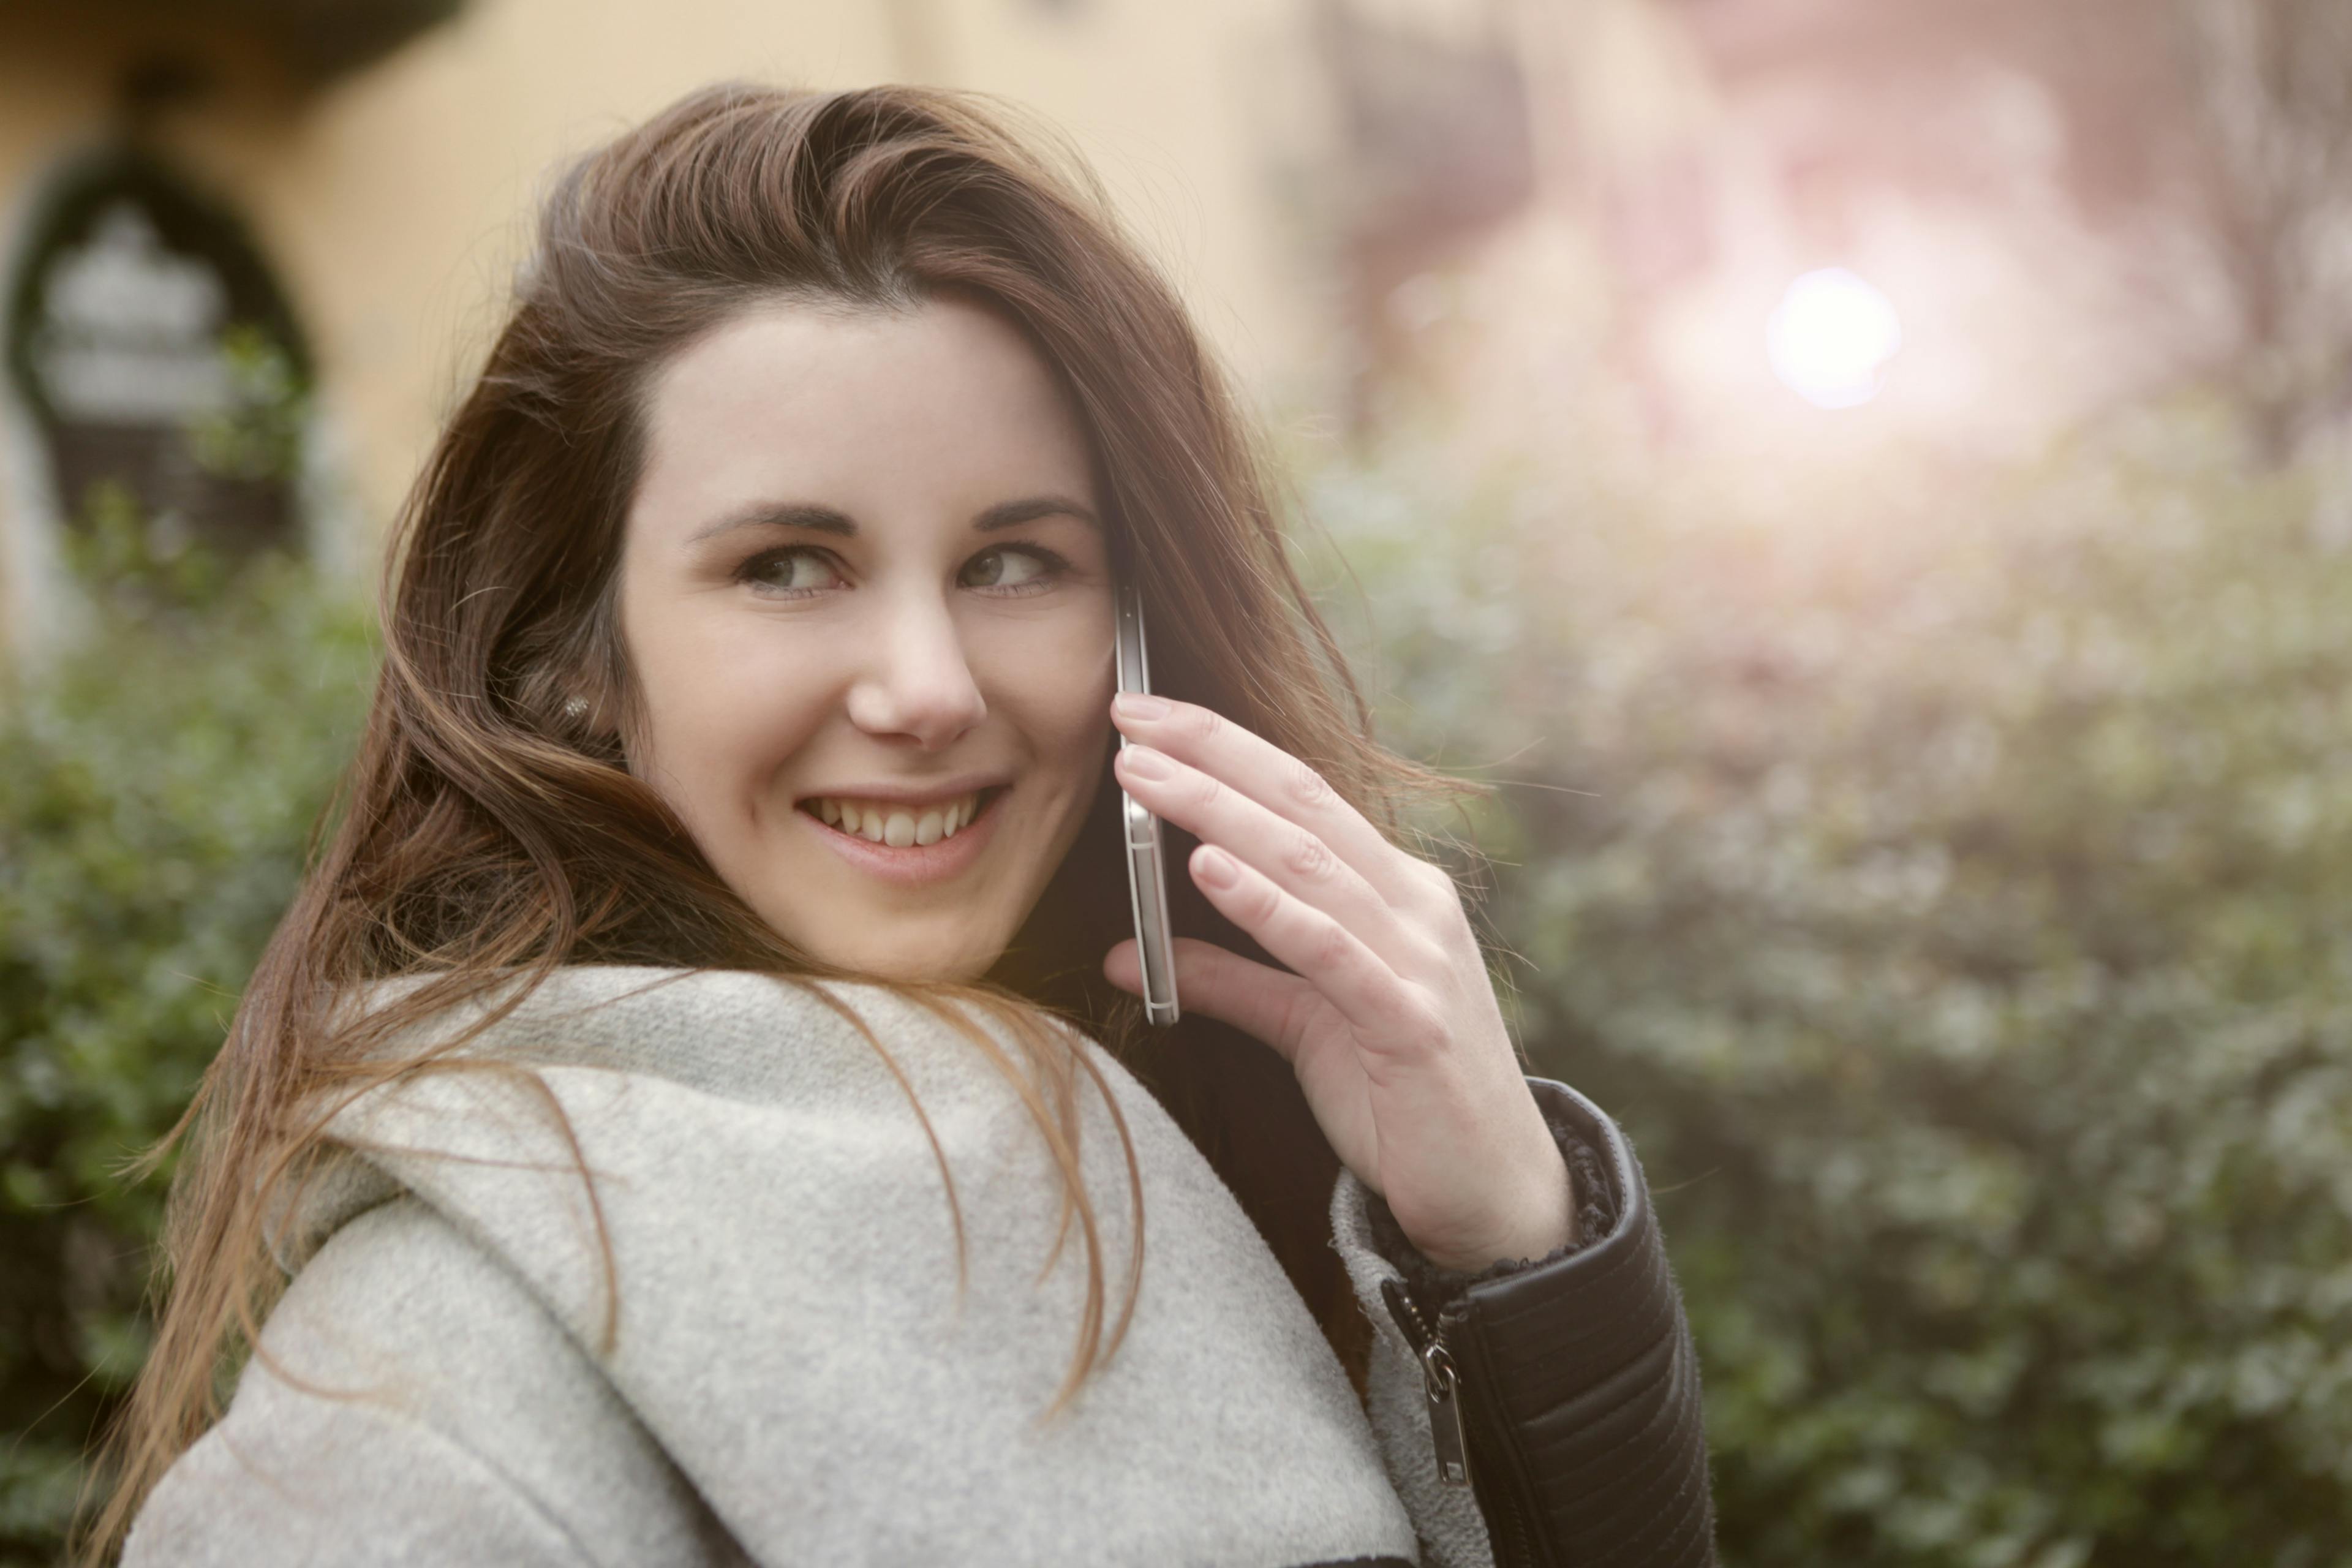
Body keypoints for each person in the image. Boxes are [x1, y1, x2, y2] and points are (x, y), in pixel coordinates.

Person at [91, 83, 1714, 1567]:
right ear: (569, 657)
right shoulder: (430, 1425)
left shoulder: (1219, 1163)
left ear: (1134, 634)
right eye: (787, 566)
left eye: (1016, 562)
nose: (928, 688)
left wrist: (1517, 1252)